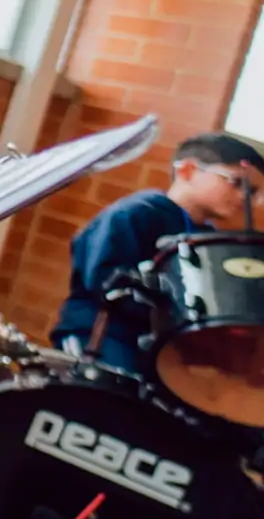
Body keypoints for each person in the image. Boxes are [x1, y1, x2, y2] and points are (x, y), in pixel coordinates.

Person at [51, 131, 264, 373]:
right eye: (238, 183)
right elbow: (102, 279)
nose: (245, 198)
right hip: (104, 338)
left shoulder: (209, 239)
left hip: (156, 353)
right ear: (188, 171)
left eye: (254, 193)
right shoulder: (136, 213)